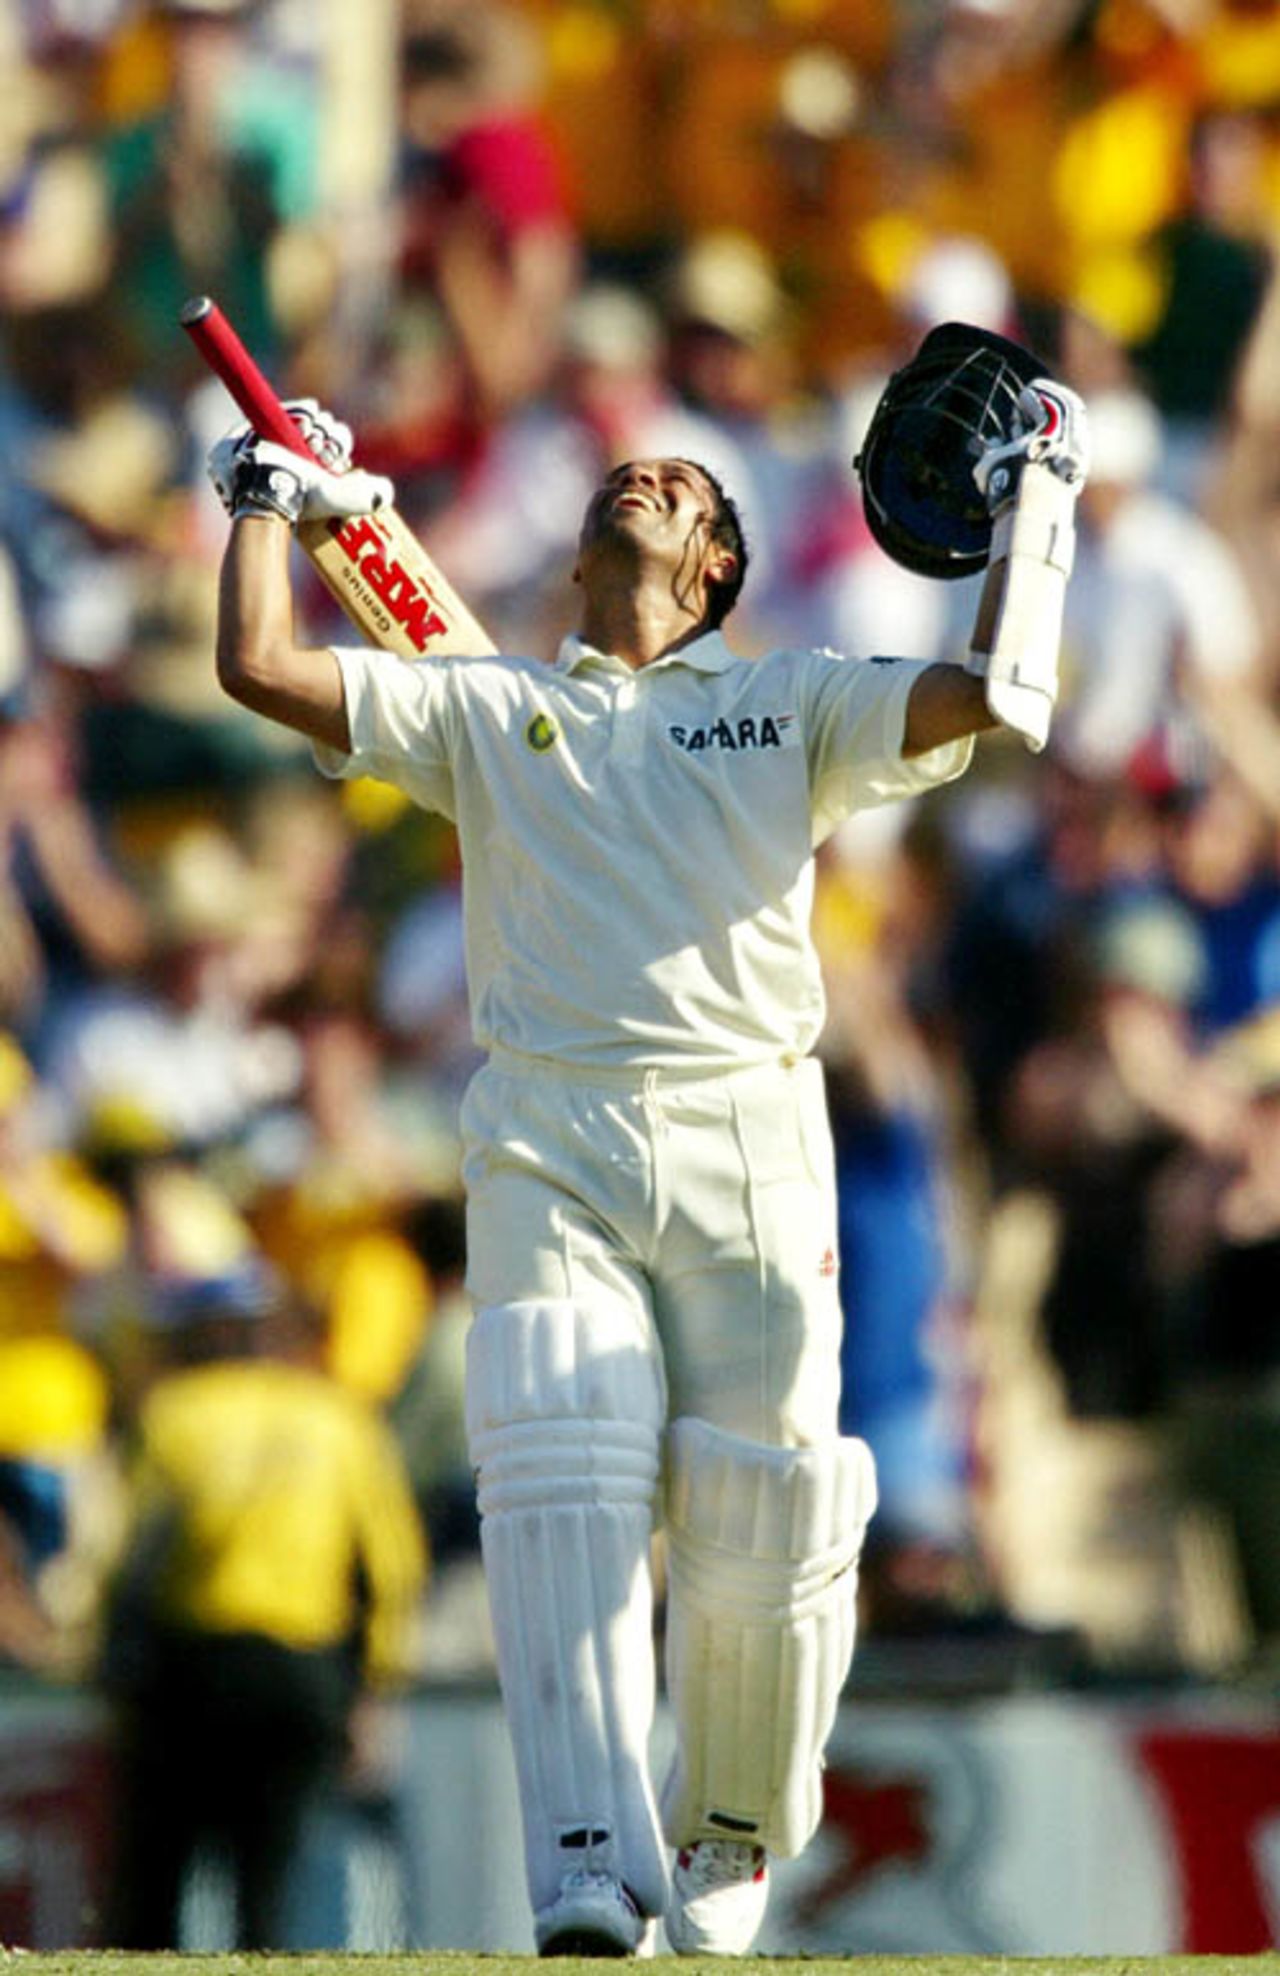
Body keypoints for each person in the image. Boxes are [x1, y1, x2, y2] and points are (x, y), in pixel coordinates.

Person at [203, 371, 1088, 1956]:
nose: (647, 480)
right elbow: (259, 664)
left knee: (770, 1512)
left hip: (749, 1133)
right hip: (547, 1128)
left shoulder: (793, 698)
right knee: (557, 1448)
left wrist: (1045, 500)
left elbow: (996, 700)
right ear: (574, 560)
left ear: (721, 572)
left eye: (684, 486)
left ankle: (735, 1820)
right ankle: (589, 1862)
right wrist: (273, 509)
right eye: (633, 473)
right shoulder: (490, 712)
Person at [100, 1267, 427, 1950]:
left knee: (155, 1877)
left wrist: (111, 1664)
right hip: (301, 1672)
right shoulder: (339, 1417)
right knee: (270, 1879)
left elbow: (126, 1555)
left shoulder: (172, 1411)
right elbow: (390, 1568)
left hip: (189, 1667)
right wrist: (375, 1687)